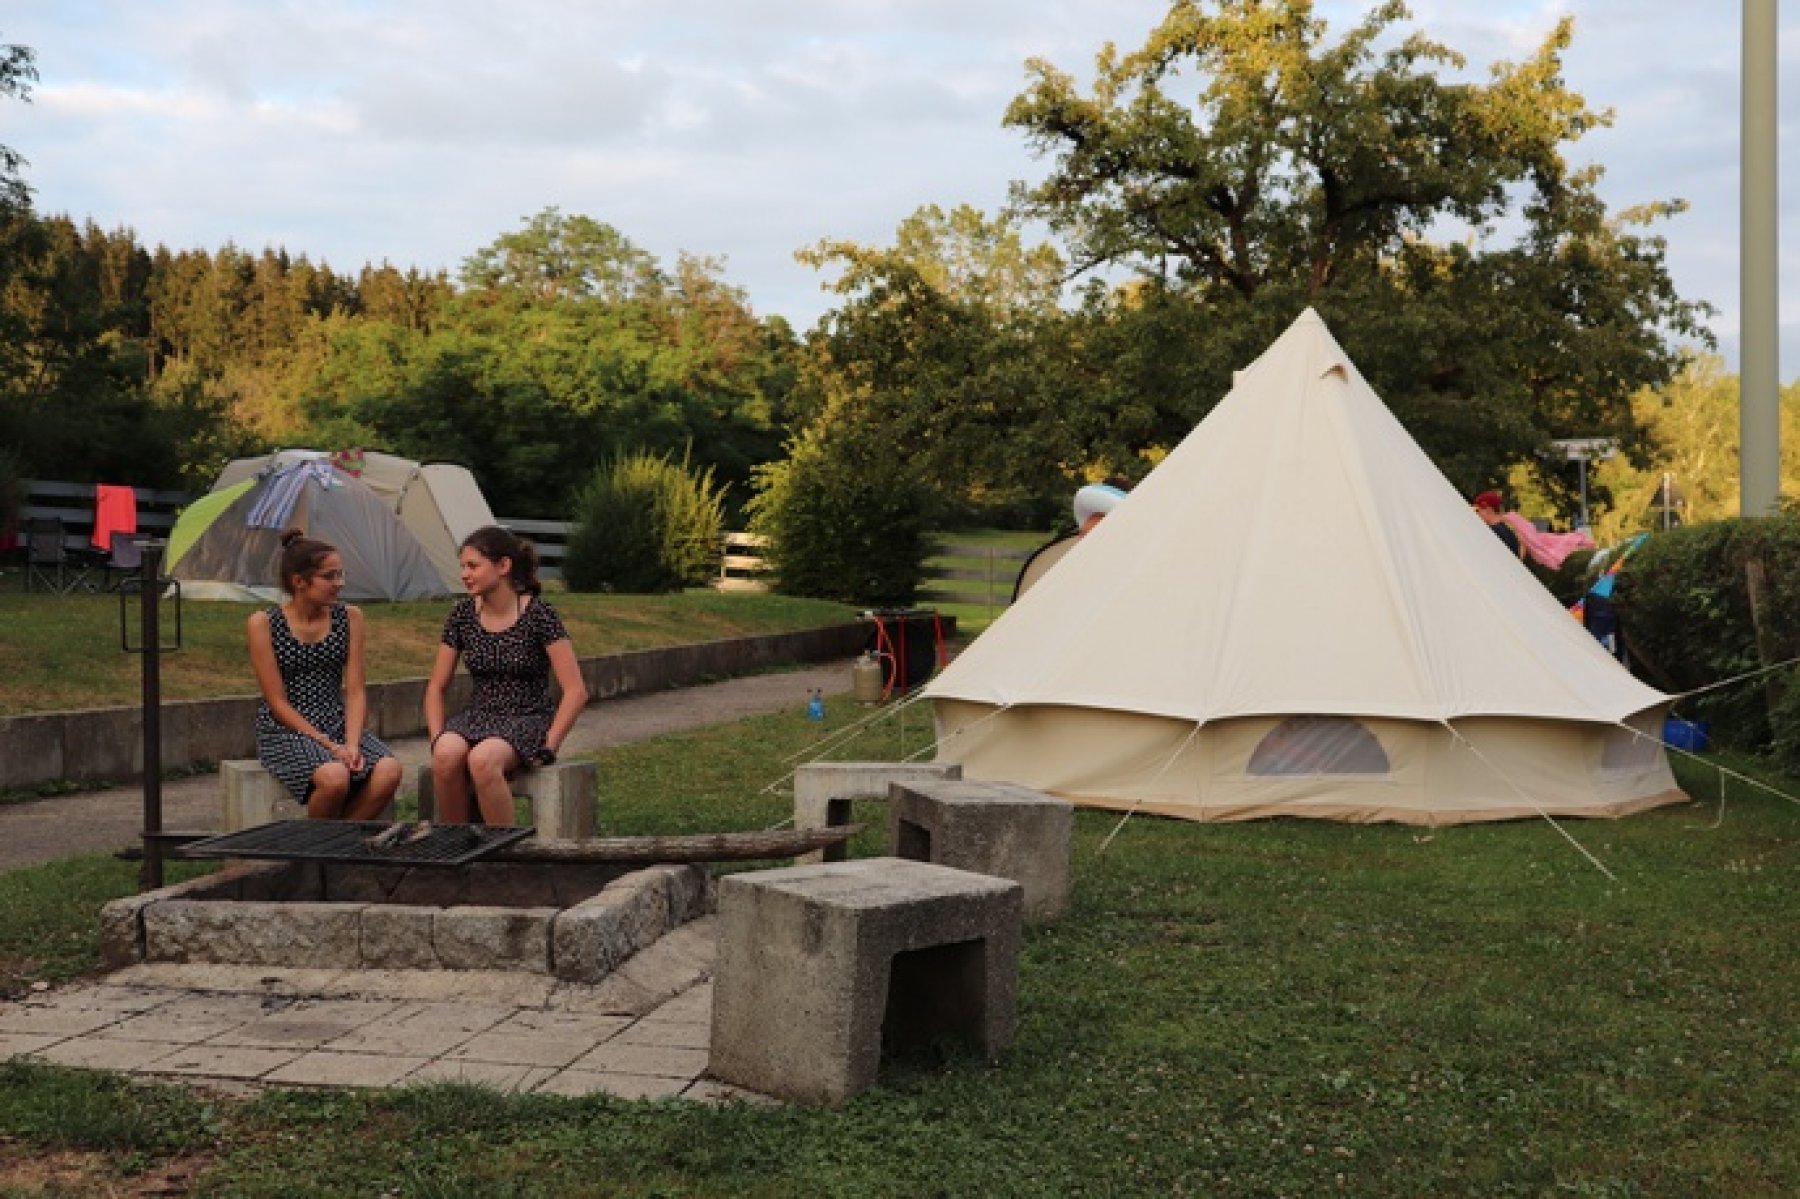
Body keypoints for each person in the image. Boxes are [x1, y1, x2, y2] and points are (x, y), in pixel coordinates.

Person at [425, 525, 588, 826]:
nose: (465, 574)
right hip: (479, 714)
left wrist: (549, 746)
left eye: (473, 566)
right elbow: (436, 686)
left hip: (527, 717)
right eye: (462, 566)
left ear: (503, 566)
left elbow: (576, 691)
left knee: (482, 761)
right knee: (446, 755)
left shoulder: (540, 615)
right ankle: (456, 845)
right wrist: (437, 736)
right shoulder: (462, 615)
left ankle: (501, 852)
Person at [247, 529, 402, 819]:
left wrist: (352, 744)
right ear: (299, 582)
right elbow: (277, 702)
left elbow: (355, 690)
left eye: (341, 575)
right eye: (330, 577)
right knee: (334, 778)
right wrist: (329, 746)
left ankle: (336, 849)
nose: (339, 583)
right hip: (287, 729)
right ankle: (320, 854)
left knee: (389, 770)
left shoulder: (350, 617)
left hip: (336, 721)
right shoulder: (264, 623)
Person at [1472, 490, 1526, 560]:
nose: (1476, 514)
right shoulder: (1508, 530)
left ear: (1488, 510)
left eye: (1478, 510)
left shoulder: (1493, 532)